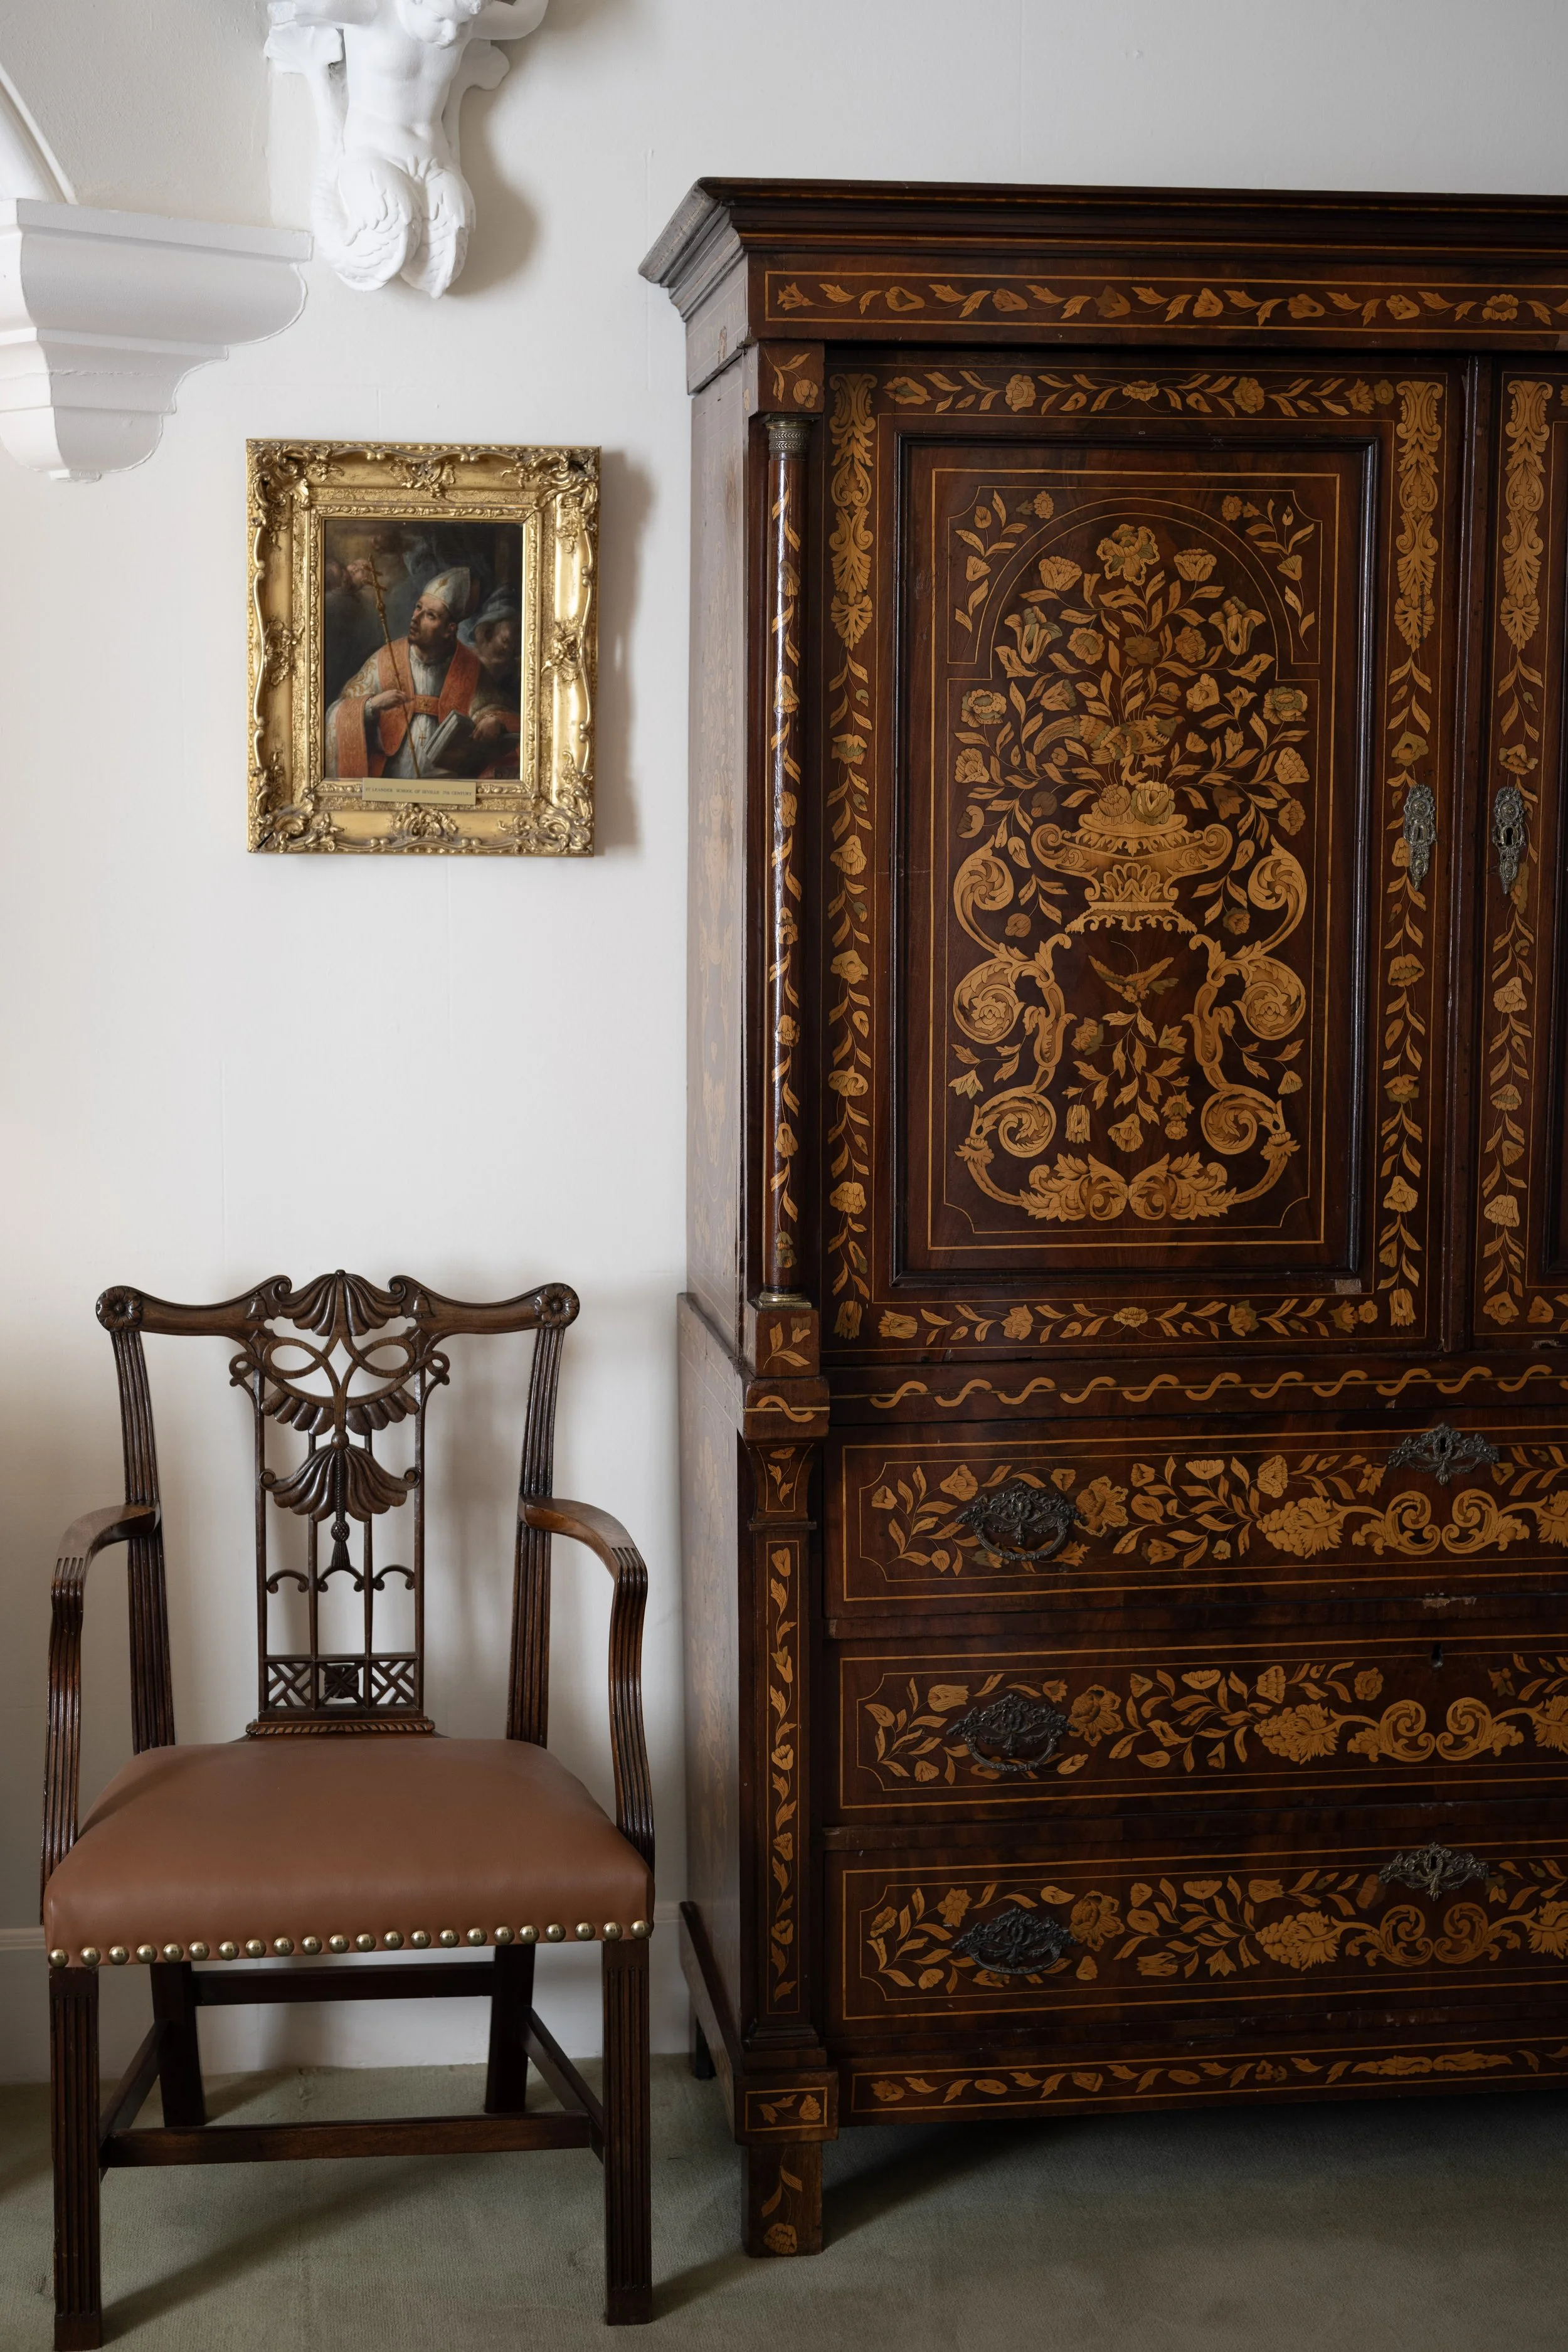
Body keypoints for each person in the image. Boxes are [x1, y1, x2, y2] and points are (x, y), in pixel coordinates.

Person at [326, 567, 484, 780]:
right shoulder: (386, 658)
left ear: (450, 629)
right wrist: (372, 705)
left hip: (446, 783)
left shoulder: (467, 665)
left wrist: (491, 719)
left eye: (430, 615)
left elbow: (489, 704)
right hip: (389, 777)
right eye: (418, 607)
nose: (416, 618)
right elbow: (339, 711)